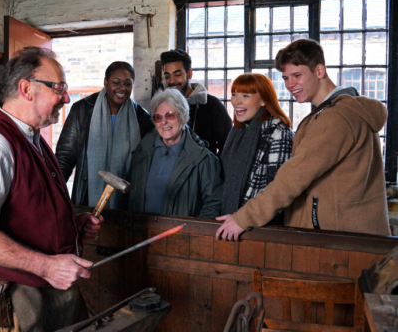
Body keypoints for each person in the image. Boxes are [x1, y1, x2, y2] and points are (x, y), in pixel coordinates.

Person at [0, 47, 102, 332]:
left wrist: (70, 225)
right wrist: (47, 267)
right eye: (58, 87)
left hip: (56, 292)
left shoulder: (31, 135)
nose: (66, 97)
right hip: (22, 298)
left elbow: (31, 206)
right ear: (26, 89)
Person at [216, 39, 390, 241]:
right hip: (345, 236)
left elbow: (293, 177)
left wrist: (243, 218)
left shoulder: (336, 117)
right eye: (286, 78)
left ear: (319, 71)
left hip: (339, 240)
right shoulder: (336, 112)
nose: (290, 84)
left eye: (297, 75)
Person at [56, 61, 153, 209]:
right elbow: (65, 156)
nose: (122, 88)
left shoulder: (142, 118)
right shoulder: (81, 110)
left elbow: (146, 164)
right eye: (116, 82)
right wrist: (55, 193)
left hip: (126, 202)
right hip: (86, 197)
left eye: (128, 84)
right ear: (105, 82)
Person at [128, 88, 223, 219]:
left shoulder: (203, 159)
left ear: (184, 116)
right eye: (158, 117)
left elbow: (214, 202)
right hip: (142, 232)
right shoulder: (142, 151)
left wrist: (192, 233)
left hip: (180, 236)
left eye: (170, 115)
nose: (164, 122)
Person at [219, 73, 294, 225]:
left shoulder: (278, 132)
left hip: (259, 225)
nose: (236, 101)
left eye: (245, 95)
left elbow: (277, 190)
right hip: (232, 222)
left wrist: (244, 218)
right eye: (234, 94)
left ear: (263, 100)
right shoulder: (239, 130)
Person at [161, 49, 232, 156]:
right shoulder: (162, 108)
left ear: (189, 74)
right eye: (167, 76)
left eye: (177, 74)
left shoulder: (212, 105)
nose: (171, 81)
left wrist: (213, 168)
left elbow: (228, 146)